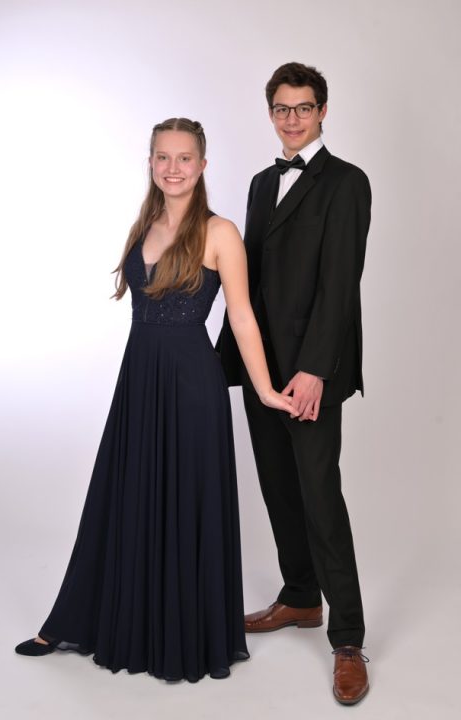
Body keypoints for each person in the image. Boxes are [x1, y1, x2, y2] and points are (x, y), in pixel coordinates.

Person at [15, 117, 296, 683]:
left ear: (202, 165)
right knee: (122, 496)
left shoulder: (220, 232)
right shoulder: (143, 225)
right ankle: (85, 619)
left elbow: (242, 317)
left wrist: (266, 389)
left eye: (184, 158)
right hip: (139, 380)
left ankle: (182, 637)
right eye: (163, 157)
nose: (173, 168)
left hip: (193, 386)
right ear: (150, 162)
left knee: (186, 501)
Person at [216, 63, 371, 704]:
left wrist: (314, 370)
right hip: (263, 368)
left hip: (311, 372)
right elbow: (246, 280)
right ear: (271, 113)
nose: (292, 119)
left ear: (323, 111)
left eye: (303, 108)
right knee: (278, 487)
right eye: (281, 108)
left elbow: (340, 284)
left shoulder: (347, 182)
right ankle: (301, 596)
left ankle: (349, 639)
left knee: (319, 496)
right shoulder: (261, 183)